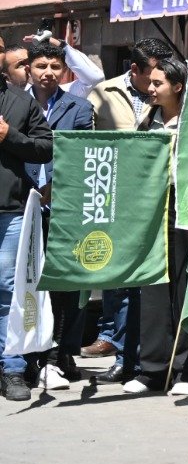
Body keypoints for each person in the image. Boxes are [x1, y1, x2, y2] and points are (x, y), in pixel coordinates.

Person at [84, 37, 173, 383]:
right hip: (117, 202)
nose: (155, 82)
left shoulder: (169, 97)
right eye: (151, 75)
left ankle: (147, 359)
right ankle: (122, 355)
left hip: (157, 203)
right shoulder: (103, 94)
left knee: (148, 285)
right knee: (119, 284)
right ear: (134, 69)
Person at [127, 58, 188, 396]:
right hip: (152, 212)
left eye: (158, 83)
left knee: (186, 288)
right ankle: (153, 370)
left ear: (177, 86)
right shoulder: (146, 121)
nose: (151, 89)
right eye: (150, 83)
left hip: (187, 209)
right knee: (153, 289)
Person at [24, 44, 94, 388]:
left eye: (54, 65)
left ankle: (62, 351)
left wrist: (54, 184)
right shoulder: (16, 103)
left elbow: (80, 152)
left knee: (66, 284)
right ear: (28, 69)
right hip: (20, 206)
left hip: (62, 207)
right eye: (41, 65)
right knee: (25, 282)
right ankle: (31, 355)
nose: (48, 72)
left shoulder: (78, 106)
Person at [0, 50, 53, 402]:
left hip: (10, 213)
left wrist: (9, 136)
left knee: (8, 291)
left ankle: (13, 367)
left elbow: (45, 147)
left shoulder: (21, 101)